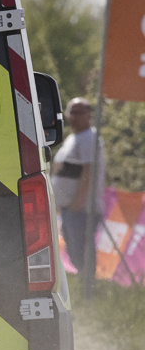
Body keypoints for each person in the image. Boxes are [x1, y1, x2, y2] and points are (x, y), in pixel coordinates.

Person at [51, 97, 105, 273]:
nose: (74, 116)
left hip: (81, 209)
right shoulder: (74, 138)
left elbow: (88, 172)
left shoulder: (88, 138)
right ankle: (85, 286)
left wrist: (77, 203)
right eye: (71, 112)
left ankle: (88, 291)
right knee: (74, 251)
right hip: (71, 208)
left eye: (79, 112)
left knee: (82, 252)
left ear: (88, 115)